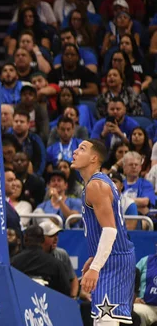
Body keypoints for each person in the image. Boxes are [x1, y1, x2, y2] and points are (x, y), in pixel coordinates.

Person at [72, 139, 136, 324]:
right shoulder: (96, 183)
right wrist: (94, 257)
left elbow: (109, 230)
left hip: (114, 261)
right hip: (114, 257)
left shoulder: (96, 186)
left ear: (93, 158)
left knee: (105, 320)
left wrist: (95, 267)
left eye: (81, 149)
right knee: (105, 319)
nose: (75, 152)